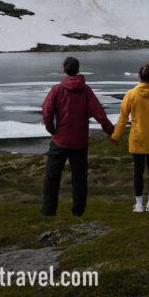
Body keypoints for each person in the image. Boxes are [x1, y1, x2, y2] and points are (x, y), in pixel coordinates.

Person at [41, 56, 114, 217]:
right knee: (79, 180)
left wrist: (52, 130)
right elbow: (99, 114)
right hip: (80, 143)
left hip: (59, 141)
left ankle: (48, 212)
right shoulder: (86, 90)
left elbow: (47, 112)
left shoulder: (57, 89)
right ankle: (78, 212)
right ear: (78, 70)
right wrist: (112, 133)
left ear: (64, 70)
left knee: (52, 178)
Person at [110, 63, 149, 212]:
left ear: (139, 77)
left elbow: (123, 118)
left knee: (138, 172)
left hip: (137, 138)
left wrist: (116, 136)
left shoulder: (131, 94)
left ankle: (139, 205)